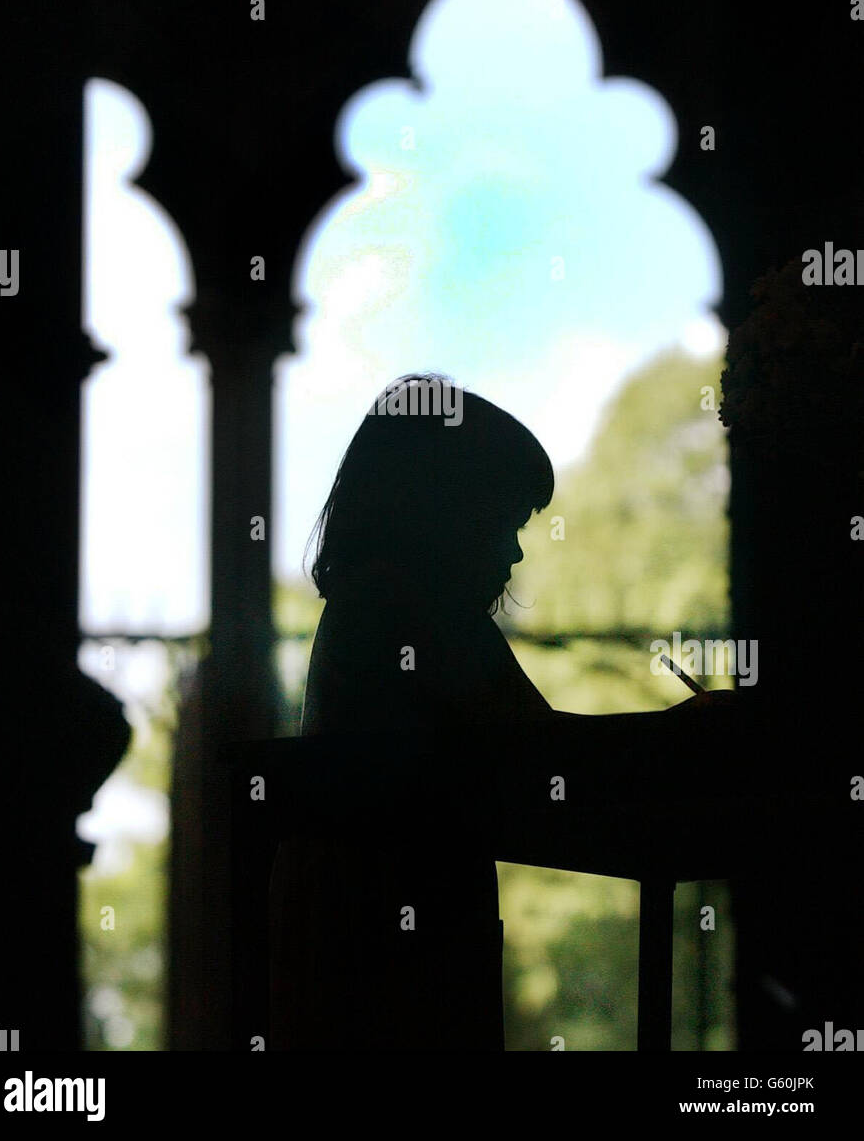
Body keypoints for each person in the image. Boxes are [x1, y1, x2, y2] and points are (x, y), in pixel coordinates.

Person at [268, 374, 735, 1051]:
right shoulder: (416, 610)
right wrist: (684, 736)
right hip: (392, 934)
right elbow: (546, 756)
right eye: (505, 522)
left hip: (356, 920)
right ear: (444, 507)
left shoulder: (370, 604)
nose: (514, 551)